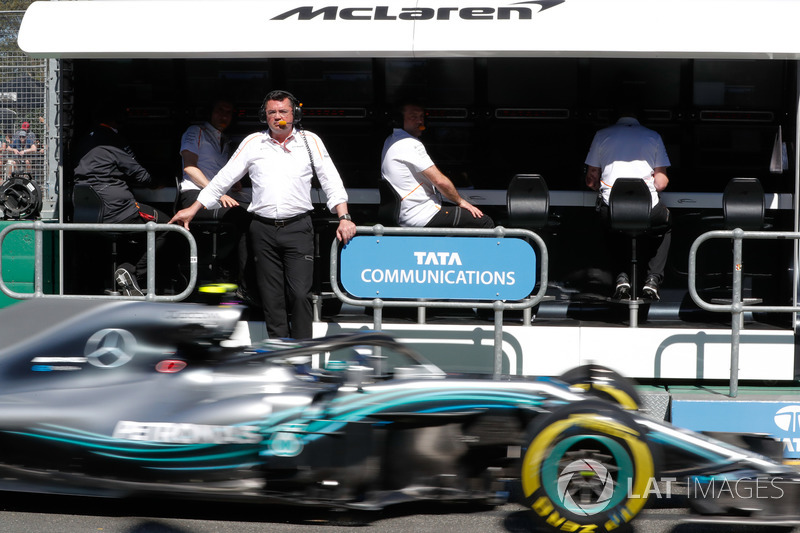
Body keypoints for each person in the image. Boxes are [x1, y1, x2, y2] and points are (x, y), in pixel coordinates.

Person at [171, 89, 356, 340]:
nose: (277, 116)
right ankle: (280, 354)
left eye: (283, 111)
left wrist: (344, 217)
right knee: (272, 298)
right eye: (272, 112)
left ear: (295, 114)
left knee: (300, 294)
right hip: (263, 230)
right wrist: (193, 209)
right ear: (264, 116)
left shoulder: (310, 141)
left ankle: (302, 353)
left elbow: (331, 181)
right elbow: (222, 180)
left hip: (298, 227)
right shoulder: (252, 142)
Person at [72, 102, 170, 296]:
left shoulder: (83, 140)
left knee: (130, 232)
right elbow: (140, 174)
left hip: (85, 211)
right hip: (116, 208)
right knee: (167, 225)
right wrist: (158, 182)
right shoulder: (112, 139)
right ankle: (131, 273)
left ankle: (116, 276)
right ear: (117, 120)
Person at [584, 104, 672, 301]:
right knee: (664, 227)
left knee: (612, 230)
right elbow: (661, 182)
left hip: (613, 211)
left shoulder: (601, 135)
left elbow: (591, 181)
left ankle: (621, 277)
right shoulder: (653, 136)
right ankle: (652, 278)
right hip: (648, 212)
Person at [179, 97, 254, 296]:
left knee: (257, 213)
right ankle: (242, 284)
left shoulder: (225, 140)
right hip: (194, 196)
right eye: (220, 110)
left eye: (228, 112)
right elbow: (190, 167)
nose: (224, 116)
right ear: (210, 112)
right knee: (242, 218)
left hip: (217, 196)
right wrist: (217, 192)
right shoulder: (196, 132)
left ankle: (231, 274)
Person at [381, 102, 493, 228]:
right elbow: (440, 182)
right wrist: (461, 201)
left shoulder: (391, 139)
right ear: (399, 120)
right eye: (413, 116)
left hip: (407, 214)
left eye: (422, 116)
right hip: (421, 215)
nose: (420, 121)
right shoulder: (408, 143)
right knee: (484, 222)